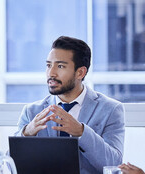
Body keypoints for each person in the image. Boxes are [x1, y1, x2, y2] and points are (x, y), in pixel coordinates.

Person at [14, 36, 125, 173]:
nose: (51, 73)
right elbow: (9, 165)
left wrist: (81, 132)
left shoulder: (111, 110)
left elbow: (114, 165)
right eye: (49, 65)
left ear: (80, 72)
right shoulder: (31, 112)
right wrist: (26, 134)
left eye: (60, 66)